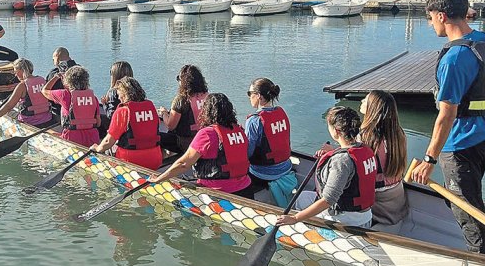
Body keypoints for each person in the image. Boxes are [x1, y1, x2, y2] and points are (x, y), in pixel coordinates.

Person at [411, 0, 485, 255]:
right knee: (469, 198)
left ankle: (484, 261)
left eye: (430, 18)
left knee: (466, 210)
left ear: (442, 16)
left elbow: (446, 115)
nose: (430, 24)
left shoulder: (456, 58)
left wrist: (429, 160)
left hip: (460, 144)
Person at [277, 107, 376, 229]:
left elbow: (328, 200)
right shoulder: (366, 150)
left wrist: (295, 218)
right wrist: (334, 152)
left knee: (299, 204)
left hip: (346, 221)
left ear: (337, 131)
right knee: (301, 197)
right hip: (365, 216)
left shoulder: (342, 160)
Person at [148, 93, 256, 199]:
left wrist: (159, 178)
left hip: (218, 194)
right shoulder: (239, 130)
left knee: (179, 188)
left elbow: (183, 164)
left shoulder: (208, 133)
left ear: (206, 112)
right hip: (246, 189)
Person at [244, 78, 298, 208]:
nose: (249, 97)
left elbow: (248, 152)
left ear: (259, 96)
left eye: (250, 93)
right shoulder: (281, 112)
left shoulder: (254, 121)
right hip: (286, 167)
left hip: (263, 173)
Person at [90, 76, 163, 170]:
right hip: (155, 159)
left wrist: (98, 148)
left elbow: (109, 141)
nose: (119, 98)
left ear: (125, 94)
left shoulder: (123, 111)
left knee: (105, 149)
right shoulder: (151, 107)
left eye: (119, 95)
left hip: (130, 161)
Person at [360, 90, 408, 226]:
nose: (362, 101)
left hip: (378, 200)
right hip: (397, 193)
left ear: (372, 108)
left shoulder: (365, 138)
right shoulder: (399, 134)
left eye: (365, 99)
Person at [0, 58, 56, 128]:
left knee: (10, 113)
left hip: (30, 122)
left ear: (22, 70)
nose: (15, 75)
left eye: (16, 72)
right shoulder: (42, 80)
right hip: (47, 119)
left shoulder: (22, 86)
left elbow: (9, 106)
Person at [42, 65, 101, 147]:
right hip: (93, 139)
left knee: (46, 132)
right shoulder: (93, 98)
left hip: (72, 139)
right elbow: (98, 123)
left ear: (68, 81)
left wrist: (56, 77)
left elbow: (44, 91)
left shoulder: (65, 94)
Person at [158, 65, 209, 154]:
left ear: (183, 82)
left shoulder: (181, 99)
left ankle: (163, 163)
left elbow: (170, 125)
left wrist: (164, 113)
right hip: (204, 141)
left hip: (187, 144)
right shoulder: (207, 96)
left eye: (179, 78)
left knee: (158, 137)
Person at [45, 47, 79, 116]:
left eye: (53, 58)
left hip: (59, 111)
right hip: (79, 107)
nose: (53, 61)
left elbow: (45, 93)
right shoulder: (80, 70)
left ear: (57, 57)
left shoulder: (54, 73)